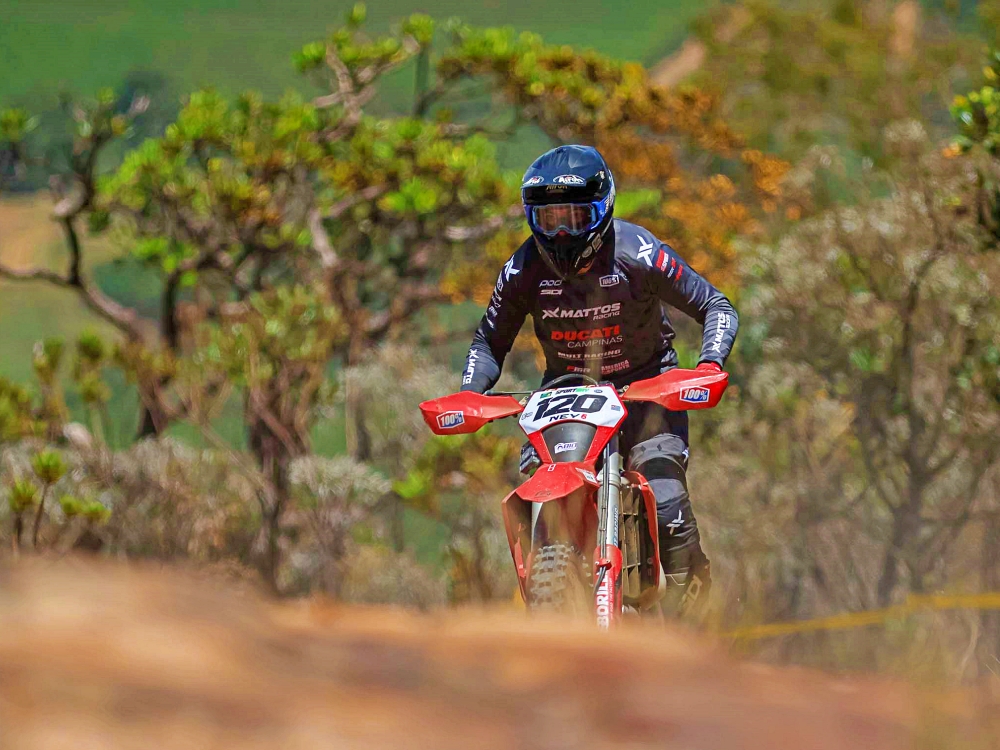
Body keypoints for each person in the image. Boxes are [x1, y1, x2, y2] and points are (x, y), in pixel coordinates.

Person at [459, 145, 739, 616]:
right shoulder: (522, 270)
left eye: (573, 216)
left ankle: (694, 610)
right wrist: (471, 394)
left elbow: (717, 306)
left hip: (649, 388)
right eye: (549, 221)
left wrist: (708, 365)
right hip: (566, 395)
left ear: (603, 209)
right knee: (549, 503)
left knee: (668, 507)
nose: (562, 233)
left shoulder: (640, 253)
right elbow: (488, 341)